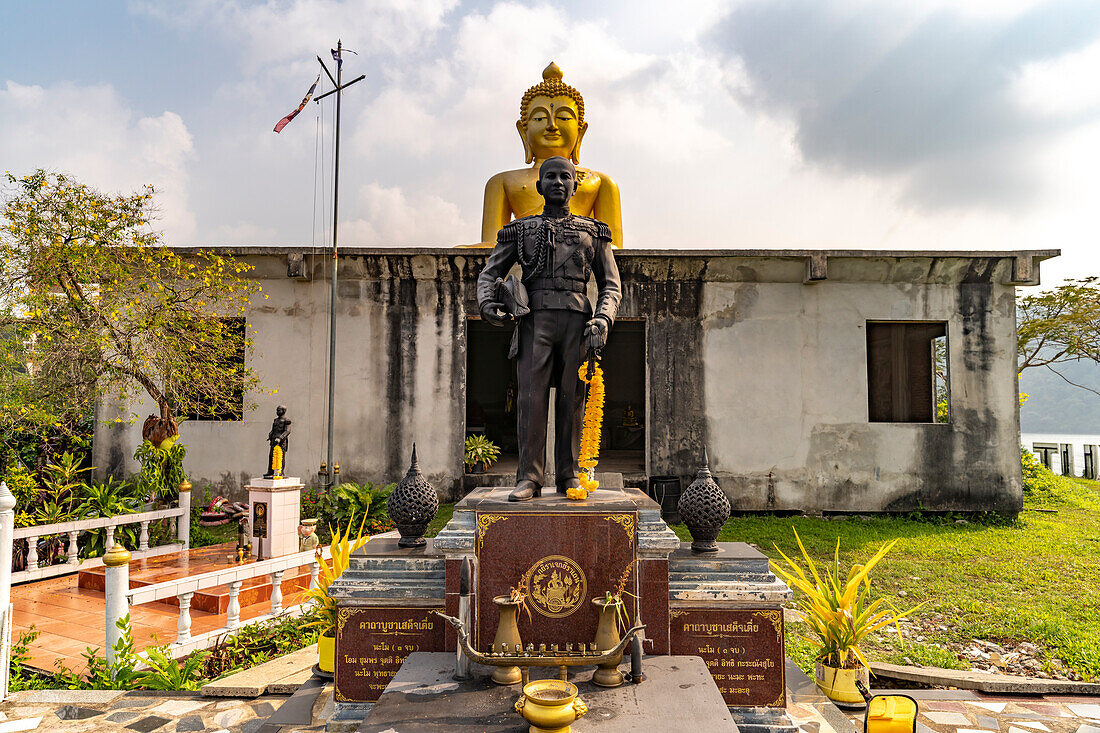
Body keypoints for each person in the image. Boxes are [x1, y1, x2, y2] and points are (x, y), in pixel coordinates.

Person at [477, 156, 621, 501]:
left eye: (565, 177)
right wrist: (486, 304)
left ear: (574, 185)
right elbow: (490, 272)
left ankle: (569, 475)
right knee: (531, 398)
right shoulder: (520, 230)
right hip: (534, 320)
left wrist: (602, 319)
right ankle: (529, 477)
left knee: (573, 400)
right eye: (550, 177)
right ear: (540, 186)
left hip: (577, 323)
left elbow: (611, 285)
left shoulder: (593, 233)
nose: (558, 182)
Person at [479, 62, 623, 248]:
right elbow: (493, 245)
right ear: (523, 131)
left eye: (563, 118)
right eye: (539, 118)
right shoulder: (502, 182)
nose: (551, 126)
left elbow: (612, 248)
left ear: (580, 132)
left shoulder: (600, 182)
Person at [264, 405, 291, 479]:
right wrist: (270, 435)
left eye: (279, 410)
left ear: (284, 411)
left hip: (281, 442)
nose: (277, 412)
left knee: (280, 457)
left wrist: (280, 438)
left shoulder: (287, 421)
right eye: (277, 410)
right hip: (273, 441)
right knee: (271, 456)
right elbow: (273, 430)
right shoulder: (275, 420)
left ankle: (281, 472)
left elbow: (287, 431)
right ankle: (270, 471)